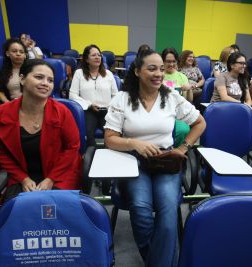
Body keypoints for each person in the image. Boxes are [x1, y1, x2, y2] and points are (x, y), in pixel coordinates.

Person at [104, 49, 206, 267]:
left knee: (168, 214)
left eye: (161, 68)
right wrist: (134, 143)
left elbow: (200, 123)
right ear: (137, 71)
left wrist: (183, 148)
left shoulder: (171, 97)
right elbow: (110, 139)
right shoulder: (122, 99)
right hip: (133, 161)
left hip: (165, 159)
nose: (159, 73)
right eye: (152, 68)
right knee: (141, 210)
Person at [0, 59, 82, 201]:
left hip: (59, 173)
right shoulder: (1, 114)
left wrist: (50, 179)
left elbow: (72, 148)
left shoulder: (62, 112)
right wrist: (23, 179)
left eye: (50, 80)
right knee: (16, 209)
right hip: (22, 173)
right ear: (22, 79)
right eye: (39, 77)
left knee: (53, 208)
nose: (45, 83)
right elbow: (0, 151)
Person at [211, 52, 252, 166]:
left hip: (236, 111)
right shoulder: (222, 77)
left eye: (245, 63)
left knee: (248, 120)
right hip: (220, 111)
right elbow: (224, 97)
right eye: (241, 63)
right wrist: (242, 106)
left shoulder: (243, 79)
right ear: (232, 65)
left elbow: (249, 99)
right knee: (246, 121)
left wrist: (247, 106)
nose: (244, 66)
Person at [69, 44, 118, 146]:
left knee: (111, 135)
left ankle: (108, 154)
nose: (97, 57)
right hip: (88, 110)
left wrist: (110, 107)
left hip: (107, 110)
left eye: (99, 55)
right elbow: (72, 95)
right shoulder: (79, 73)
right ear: (86, 59)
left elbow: (115, 95)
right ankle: (90, 155)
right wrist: (89, 104)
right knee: (88, 133)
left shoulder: (108, 74)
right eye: (93, 55)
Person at [162, 48, 194, 147]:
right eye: (168, 61)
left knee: (184, 129)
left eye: (173, 61)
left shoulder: (182, 77)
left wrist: (188, 89)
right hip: (161, 110)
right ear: (162, 61)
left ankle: (176, 153)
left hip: (178, 112)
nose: (171, 64)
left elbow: (190, 100)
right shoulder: (158, 75)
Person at [0, 38, 28, 103]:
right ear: (8, 53)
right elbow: (0, 92)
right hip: (12, 104)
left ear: (25, 55)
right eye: (14, 51)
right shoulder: (3, 71)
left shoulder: (32, 69)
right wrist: (8, 104)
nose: (18, 54)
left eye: (21, 52)